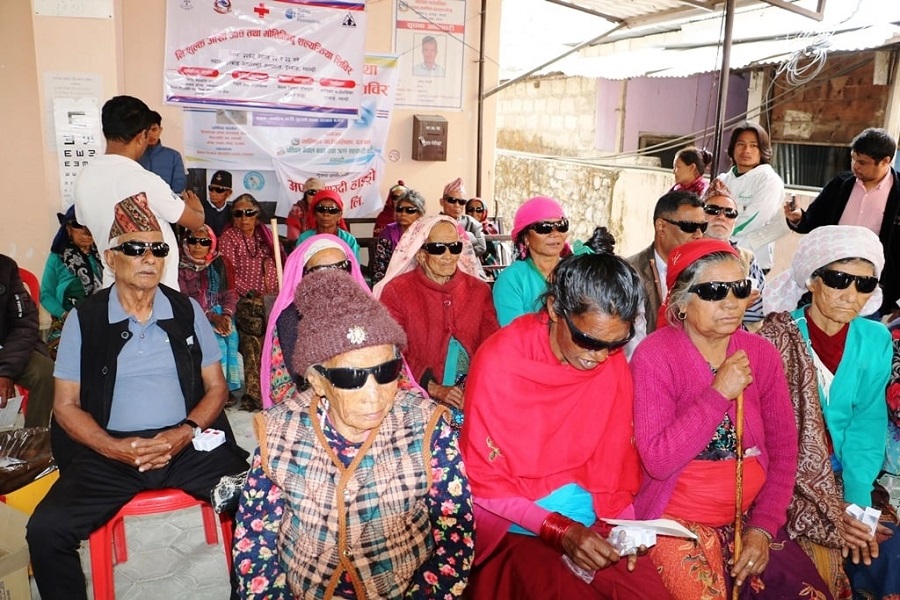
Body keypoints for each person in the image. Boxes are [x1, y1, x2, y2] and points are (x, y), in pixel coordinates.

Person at [26, 195, 248, 600]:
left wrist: (184, 432)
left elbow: (217, 387)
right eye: (134, 248)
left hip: (186, 444)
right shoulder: (85, 319)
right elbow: (65, 405)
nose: (148, 257)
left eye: (158, 249)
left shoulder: (186, 310)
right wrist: (112, 448)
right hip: (110, 451)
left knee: (259, 503)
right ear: (111, 258)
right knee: (46, 531)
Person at [233, 268, 474, 599]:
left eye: (387, 371)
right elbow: (255, 546)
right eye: (351, 378)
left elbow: (455, 535)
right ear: (317, 381)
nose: (374, 395)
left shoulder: (427, 427)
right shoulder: (279, 432)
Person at [461, 252, 671, 599]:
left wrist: (627, 531)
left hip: (595, 520)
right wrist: (560, 529)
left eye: (615, 345)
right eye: (588, 341)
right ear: (555, 310)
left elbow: (614, 465)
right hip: (517, 525)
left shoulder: (609, 364)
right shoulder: (501, 362)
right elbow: (484, 482)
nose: (599, 357)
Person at [630, 239, 831, 599]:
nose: (731, 302)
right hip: (675, 520)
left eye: (739, 288)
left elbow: (784, 452)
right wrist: (718, 393)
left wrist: (763, 527)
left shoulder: (761, 353)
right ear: (681, 301)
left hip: (750, 515)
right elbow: (658, 460)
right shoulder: (655, 356)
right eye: (713, 291)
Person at [759, 225, 900, 599]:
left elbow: (867, 424)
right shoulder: (776, 338)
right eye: (839, 279)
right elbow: (767, 437)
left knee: (887, 552)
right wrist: (828, 509)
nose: (851, 295)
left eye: (864, 284)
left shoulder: (875, 339)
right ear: (813, 279)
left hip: (848, 478)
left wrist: (857, 505)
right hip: (784, 483)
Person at [74, 95, 206, 291]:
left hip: (114, 290)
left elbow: (85, 224)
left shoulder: (84, 177)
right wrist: (198, 210)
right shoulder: (145, 181)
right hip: (155, 293)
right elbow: (195, 222)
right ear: (142, 136)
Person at [375, 216, 498, 421]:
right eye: (438, 248)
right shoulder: (396, 291)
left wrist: (476, 386)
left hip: (475, 387)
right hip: (418, 390)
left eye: (455, 247)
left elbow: (492, 346)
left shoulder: (479, 290)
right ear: (421, 254)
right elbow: (392, 352)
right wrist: (433, 388)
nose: (448, 256)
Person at [784, 128, 900, 315]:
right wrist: (798, 217)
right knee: (811, 326)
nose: (855, 166)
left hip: (870, 287)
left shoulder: (897, 193)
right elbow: (813, 221)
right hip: (827, 278)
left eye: (862, 162)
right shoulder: (840, 184)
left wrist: (896, 300)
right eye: (853, 159)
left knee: (861, 331)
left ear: (885, 161)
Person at [261, 233, 373, 410]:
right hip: (310, 408)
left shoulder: (368, 312)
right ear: (305, 275)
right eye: (321, 271)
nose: (334, 278)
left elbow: (392, 372)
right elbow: (281, 388)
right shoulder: (289, 319)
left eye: (341, 267)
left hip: (370, 400)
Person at [218, 193, 283, 411]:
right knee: (253, 331)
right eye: (239, 214)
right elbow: (230, 275)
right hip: (243, 301)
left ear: (257, 215)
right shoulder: (229, 238)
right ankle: (256, 394)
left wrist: (274, 295)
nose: (244, 218)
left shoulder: (266, 236)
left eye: (249, 213)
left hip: (270, 299)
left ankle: (276, 387)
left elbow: (279, 265)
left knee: (281, 329)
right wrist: (253, 295)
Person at [627, 190, 706, 332]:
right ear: (661, 227)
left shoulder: (706, 271)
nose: (699, 235)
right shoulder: (630, 273)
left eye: (703, 227)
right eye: (689, 226)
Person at [177, 225, 242, 396]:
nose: (198, 246)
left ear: (211, 243)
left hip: (219, 313)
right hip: (193, 315)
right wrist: (212, 317)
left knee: (231, 337)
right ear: (186, 242)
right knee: (217, 344)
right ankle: (215, 390)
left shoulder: (220, 263)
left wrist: (226, 315)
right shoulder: (179, 265)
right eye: (193, 241)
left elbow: (230, 294)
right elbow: (185, 299)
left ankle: (227, 388)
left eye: (204, 242)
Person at [716, 121, 785, 272]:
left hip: (752, 260)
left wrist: (720, 233)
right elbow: (706, 213)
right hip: (719, 255)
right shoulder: (722, 180)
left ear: (763, 151)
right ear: (733, 148)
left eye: (754, 145)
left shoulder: (769, 180)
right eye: (741, 144)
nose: (746, 150)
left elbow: (754, 219)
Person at [492, 196, 570, 325]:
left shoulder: (576, 272)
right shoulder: (511, 279)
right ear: (526, 238)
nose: (555, 234)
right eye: (544, 227)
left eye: (561, 226)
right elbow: (514, 331)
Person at [701, 179, 766, 328]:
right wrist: (739, 301)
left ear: (735, 221)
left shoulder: (747, 259)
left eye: (729, 213)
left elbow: (757, 312)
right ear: (701, 214)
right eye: (713, 210)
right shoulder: (686, 254)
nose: (721, 217)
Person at [41, 206, 102, 358]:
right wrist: (64, 315)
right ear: (68, 229)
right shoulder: (56, 258)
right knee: (63, 354)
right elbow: (46, 294)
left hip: (102, 320)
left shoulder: (105, 255)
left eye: (90, 225)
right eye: (78, 225)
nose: (86, 232)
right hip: (67, 321)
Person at [0, 254, 54, 428]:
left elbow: (24, 322)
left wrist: (5, 371)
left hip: (6, 349)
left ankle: (34, 438)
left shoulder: (5, 267)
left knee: (44, 372)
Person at [371, 187, 425, 284]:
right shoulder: (388, 233)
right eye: (399, 209)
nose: (403, 214)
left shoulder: (426, 233)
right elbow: (380, 268)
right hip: (392, 282)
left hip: (421, 282)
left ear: (420, 214)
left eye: (410, 210)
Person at [294, 189, 361, 260]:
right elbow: (297, 264)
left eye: (332, 210)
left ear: (339, 215)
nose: (326, 214)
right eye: (321, 209)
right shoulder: (304, 239)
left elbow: (354, 265)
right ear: (314, 214)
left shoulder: (349, 240)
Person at [137, 110, 186, 194]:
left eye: (154, 129)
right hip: (139, 201)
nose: (151, 134)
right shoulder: (135, 156)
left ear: (160, 130)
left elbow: (179, 186)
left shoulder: (174, 156)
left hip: (167, 200)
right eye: (147, 131)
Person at [441, 178, 487, 256]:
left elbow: (481, 247)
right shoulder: (434, 223)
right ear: (442, 202)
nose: (457, 205)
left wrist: (461, 255)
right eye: (452, 200)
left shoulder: (471, 223)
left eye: (462, 202)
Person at [284, 176, 324, 244]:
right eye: (312, 192)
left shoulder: (327, 209)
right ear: (306, 194)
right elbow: (294, 239)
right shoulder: (297, 210)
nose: (316, 195)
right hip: (302, 246)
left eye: (320, 192)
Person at [466, 196, 501, 266]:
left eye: (479, 210)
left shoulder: (490, 229)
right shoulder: (463, 226)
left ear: (484, 212)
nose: (474, 213)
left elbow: (493, 254)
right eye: (470, 209)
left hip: (488, 266)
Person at [203, 170, 235, 237]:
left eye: (219, 190)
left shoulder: (232, 212)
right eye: (211, 188)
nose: (213, 193)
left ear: (229, 193)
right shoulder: (200, 208)